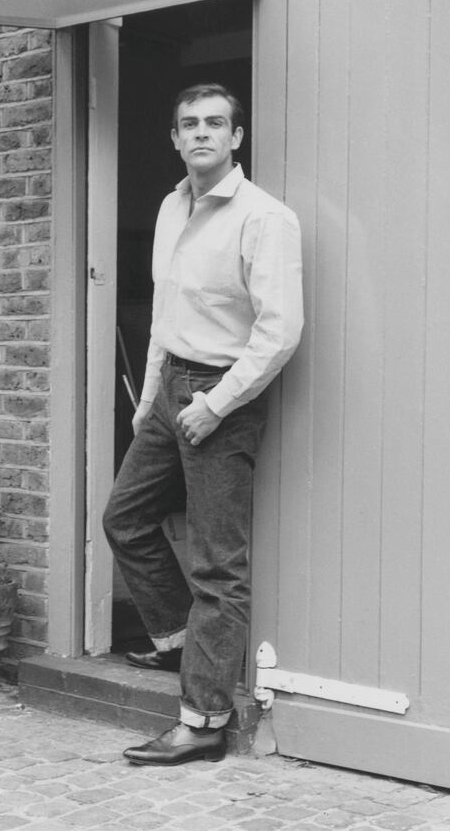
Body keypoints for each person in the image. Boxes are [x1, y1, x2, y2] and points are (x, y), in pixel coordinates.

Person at [103, 83, 304, 766]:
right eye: (188, 123)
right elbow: (165, 307)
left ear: (237, 137)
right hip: (171, 388)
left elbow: (280, 332)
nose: (201, 134)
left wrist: (216, 404)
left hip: (224, 395)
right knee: (125, 518)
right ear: (174, 137)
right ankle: (183, 651)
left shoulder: (264, 218)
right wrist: (151, 393)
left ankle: (205, 719)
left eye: (216, 123)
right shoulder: (170, 206)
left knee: (219, 568)